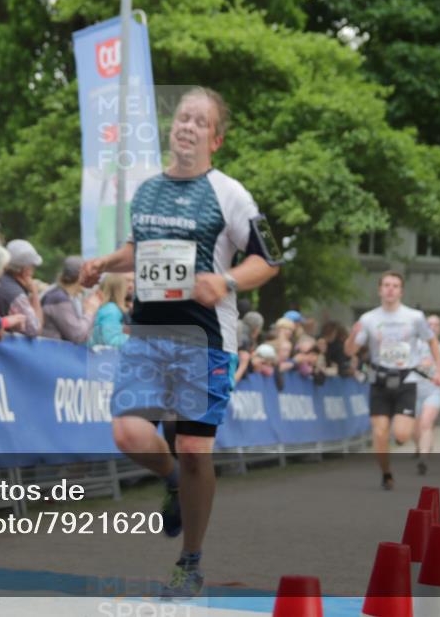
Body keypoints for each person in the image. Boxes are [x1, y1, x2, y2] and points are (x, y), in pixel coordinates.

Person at [79, 88, 280, 597]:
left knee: (194, 448)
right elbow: (139, 246)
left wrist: (226, 281)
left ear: (216, 138)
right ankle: (170, 478)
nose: (186, 126)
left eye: (199, 121)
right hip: (148, 332)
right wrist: (107, 261)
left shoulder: (230, 193)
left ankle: (189, 561)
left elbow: (268, 260)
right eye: (182, 118)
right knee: (127, 433)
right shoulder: (146, 190)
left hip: (204, 338)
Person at [343, 272, 440, 491]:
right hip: (379, 379)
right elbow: (350, 350)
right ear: (379, 290)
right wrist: (352, 336)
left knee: (401, 435)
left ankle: (400, 440)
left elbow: (432, 341)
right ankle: (386, 474)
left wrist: (439, 370)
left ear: (401, 291)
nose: (390, 289)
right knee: (379, 433)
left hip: (406, 379)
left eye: (395, 286)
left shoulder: (415, 317)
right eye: (386, 285)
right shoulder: (368, 319)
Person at [407, 314, 440, 475]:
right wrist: (421, 365)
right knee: (414, 429)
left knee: (426, 423)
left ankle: (423, 459)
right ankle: (421, 447)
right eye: (430, 324)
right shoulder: (415, 345)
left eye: (436, 325)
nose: (433, 327)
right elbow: (404, 363)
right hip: (414, 390)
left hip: (433, 390)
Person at [0, 239, 44, 337]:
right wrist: (35, 294)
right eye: (33, 267)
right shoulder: (17, 296)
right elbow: (35, 330)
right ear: (26, 270)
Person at [41, 256, 102, 343]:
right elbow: (77, 335)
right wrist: (90, 311)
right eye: (90, 277)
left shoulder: (63, 295)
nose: (94, 282)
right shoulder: (58, 298)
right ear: (81, 277)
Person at [89, 273, 130, 348]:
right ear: (119, 290)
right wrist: (131, 338)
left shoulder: (104, 307)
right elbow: (111, 341)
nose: (127, 289)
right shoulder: (111, 311)